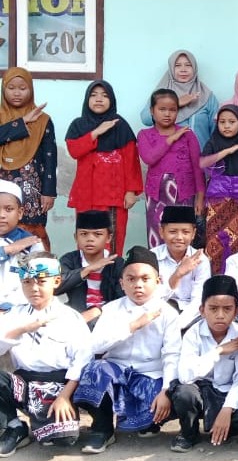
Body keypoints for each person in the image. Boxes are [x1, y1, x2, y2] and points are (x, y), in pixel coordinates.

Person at [73, 246, 181, 454]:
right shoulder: (111, 309)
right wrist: (133, 326)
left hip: (151, 375)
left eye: (145, 279)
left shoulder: (168, 313)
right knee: (95, 369)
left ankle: (149, 422)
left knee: (173, 395)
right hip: (116, 372)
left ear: (158, 281)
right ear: (122, 283)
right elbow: (95, 346)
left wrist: (166, 391)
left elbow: (172, 355)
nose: (138, 285)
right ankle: (103, 429)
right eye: (131, 279)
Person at [0, 254, 92, 456]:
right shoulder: (14, 315)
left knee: (64, 439)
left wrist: (65, 396)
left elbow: (82, 361)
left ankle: (52, 418)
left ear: (56, 281)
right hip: (23, 383)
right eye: (27, 282)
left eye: (41, 282)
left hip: (58, 385)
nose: (34, 288)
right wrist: (22, 329)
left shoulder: (70, 317)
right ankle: (14, 426)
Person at [168, 274, 238, 452]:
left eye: (227, 309)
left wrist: (227, 409)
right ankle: (189, 433)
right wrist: (218, 351)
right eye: (213, 308)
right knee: (184, 394)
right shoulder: (193, 334)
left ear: (236, 311)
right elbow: (185, 376)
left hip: (227, 391)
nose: (220, 315)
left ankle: (222, 429)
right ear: (202, 310)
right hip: (199, 390)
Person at [66, 80, 142, 257]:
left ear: (112, 99)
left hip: (114, 197)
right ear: (87, 99)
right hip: (87, 196)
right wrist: (96, 132)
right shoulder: (78, 125)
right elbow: (74, 151)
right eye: (93, 95)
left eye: (104, 95)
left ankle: (112, 273)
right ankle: (87, 273)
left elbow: (131, 160)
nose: (99, 99)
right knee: (87, 239)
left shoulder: (120, 125)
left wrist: (131, 191)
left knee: (113, 241)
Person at [138, 88, 205, 249]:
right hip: (156, 195)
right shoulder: (144, 134)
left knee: (182, 235)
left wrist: (200, 198)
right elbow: (149, 158)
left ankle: (184, 265)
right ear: (152, 111)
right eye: (162, 109)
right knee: (157, 233)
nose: (167, 114)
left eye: (172, 110)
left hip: (184, 194)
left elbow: (197, 167)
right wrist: (171, 139)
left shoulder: (187, 134)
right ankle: (157, 264)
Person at [0, 67, 56, 249]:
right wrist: (22, 122)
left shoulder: (43, 120)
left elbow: (50, 158)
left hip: (33, 187)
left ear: (30, 90)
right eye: (11, 88)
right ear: (3, 89)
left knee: (34, 232)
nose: (17, 93)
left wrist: (49, 191)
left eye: (22, 88)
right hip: (2, 182)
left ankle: (38, 264)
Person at [200, 104, 238, 274]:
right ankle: (214, 279)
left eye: (232, 122)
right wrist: (227, 151)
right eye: (222, 122)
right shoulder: (213, 142)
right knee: (214, 242)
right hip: (216, 202)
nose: (226, 126)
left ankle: (234, 279)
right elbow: (202, 163)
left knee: (237, 241)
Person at [56, 210, 124, 327]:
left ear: (109, 237)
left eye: (97, 234)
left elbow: (122, 298)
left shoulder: (117, 263)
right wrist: (87, 270)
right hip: (76, 316)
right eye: (84, 234)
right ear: (76, 237)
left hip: (109, 318)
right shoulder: (70, 259)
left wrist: (98, 311)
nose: (90, 239)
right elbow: (55, 287)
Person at [140, 50, 219, 149]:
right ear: (171, 68)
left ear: (194, 68)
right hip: (170, 156)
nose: (183, 70)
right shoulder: (161, 94)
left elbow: (216, 130)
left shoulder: (206, 96)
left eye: (188, 65)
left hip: (201, 155)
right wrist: (176, 103)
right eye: (177, 65)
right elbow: (146, 119)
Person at [153, 205, 212, 330]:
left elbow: (198, 300)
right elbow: (151, 297)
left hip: (190, 316)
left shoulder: (201, 260)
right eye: (172, 232)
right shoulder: (152, 257)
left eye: (185, 232)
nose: (179, 237)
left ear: (193, 234)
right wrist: (178, 274)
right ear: (161, 232)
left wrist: (177, 326)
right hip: (158, 313)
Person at [0, 180, 43, 307]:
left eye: (9, 209)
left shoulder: (31, 243)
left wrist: (7, 307)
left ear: (19, 213)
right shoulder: (18, 244)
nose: (2, 215)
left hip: (19, 309)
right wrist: (8, 250)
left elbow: (38, 281)